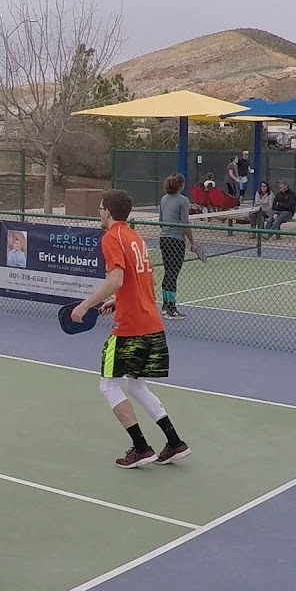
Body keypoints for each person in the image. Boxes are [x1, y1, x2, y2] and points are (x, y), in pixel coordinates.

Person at [72, 189, 191, 469]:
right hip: (151, 323)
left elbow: (115, 278)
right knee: (137, 386)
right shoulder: (135, 238)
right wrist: (117, 300)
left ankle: (141, 448)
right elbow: (140, 281)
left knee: (109, 386)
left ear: (109, 212)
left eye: (101, 209)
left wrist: (85, 305)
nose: (99, 213)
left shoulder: (111, 237)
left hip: (130, 329)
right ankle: (174, 443)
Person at [157, 174, 198, 320]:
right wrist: (192, 242)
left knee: (168, 272)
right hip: (176, 241)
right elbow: (185, 223)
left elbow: (161, 220)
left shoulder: (163, 199)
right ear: (182, 184)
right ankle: (171, 308)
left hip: (164, 240)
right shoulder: (183, 200)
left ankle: (165, 306)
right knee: (173, 274)